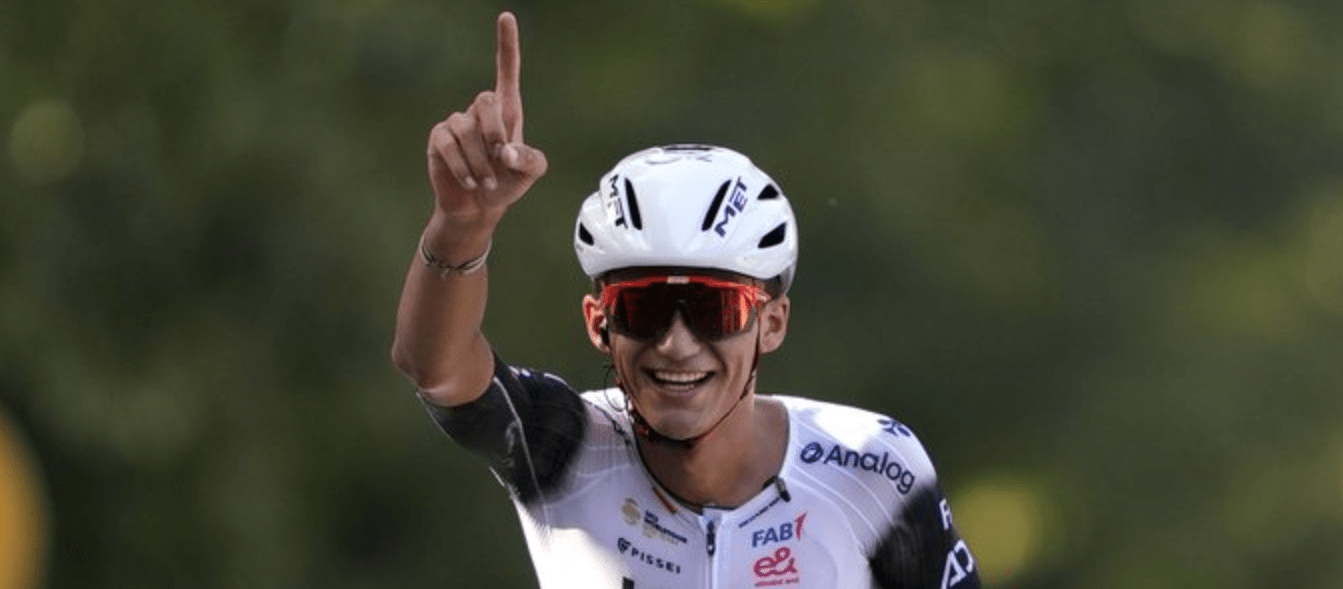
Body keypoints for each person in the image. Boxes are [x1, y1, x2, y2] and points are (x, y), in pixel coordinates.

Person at [391, 11, 981, 589]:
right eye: (643, 309)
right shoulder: (566, 449)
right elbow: (435, 367)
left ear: (772, 323)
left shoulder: (873, 469)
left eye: (714, 310)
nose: (676, 343)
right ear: (599, 323)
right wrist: (461, 226)